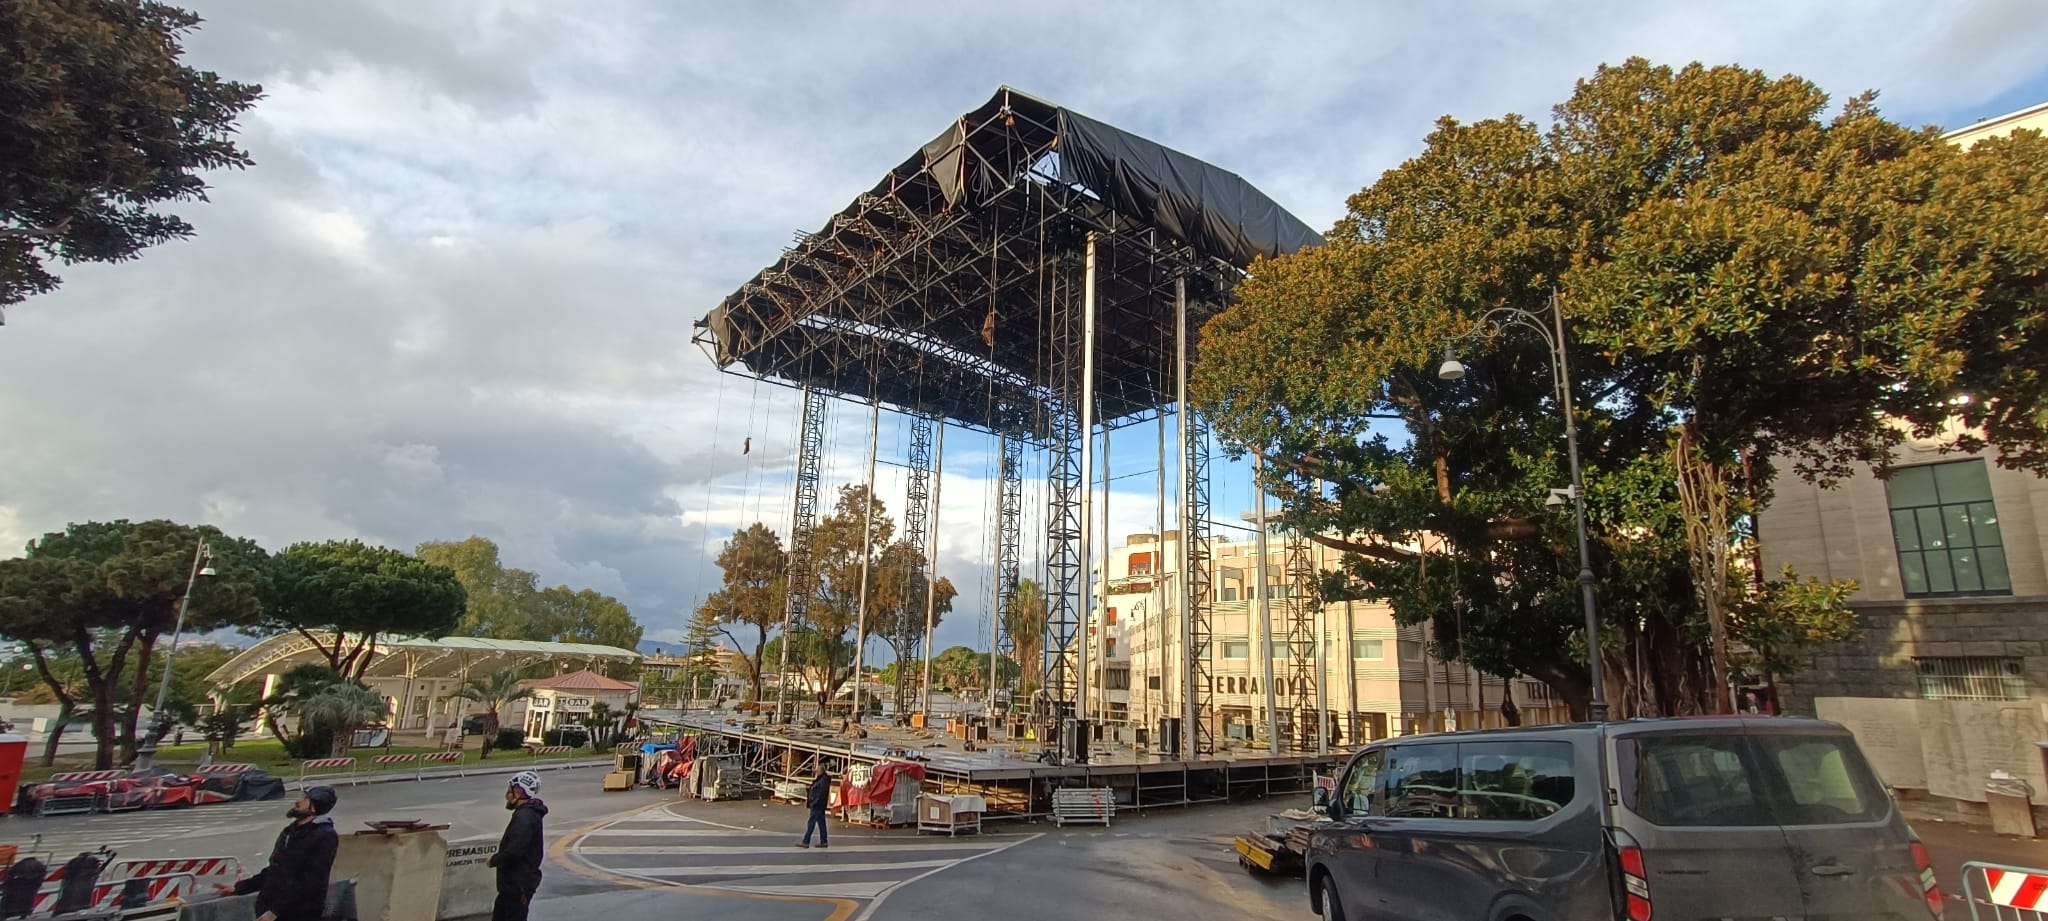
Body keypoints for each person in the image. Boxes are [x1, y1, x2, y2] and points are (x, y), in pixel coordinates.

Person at [215, 786, 339, 921]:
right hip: (271, 909)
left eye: (306, 799)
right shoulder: (291, 831)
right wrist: (239, 888)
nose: (298, 801)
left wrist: (276, 911)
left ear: (316, 806)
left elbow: (310, 882)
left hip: (298, 913)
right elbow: (275, 870)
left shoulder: (324, 836)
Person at [487, 771, 548, 921]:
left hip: (517, 884)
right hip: (513, 885)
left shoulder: (524, 817)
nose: (506, 796)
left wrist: (495, 860)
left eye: (509, 791)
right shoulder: (526, 814)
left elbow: (515, 850)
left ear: (519, 792)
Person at [797, 767, 832, 849]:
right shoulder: (822, 779)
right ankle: (824, 841)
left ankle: (806, 841)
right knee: (821, 823)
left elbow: (820, 794)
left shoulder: (823, 781)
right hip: (819, 805)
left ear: (821, 772)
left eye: (817, 771)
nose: (816, 773)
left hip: (817, 805)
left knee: (811, 823)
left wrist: (814, 802)